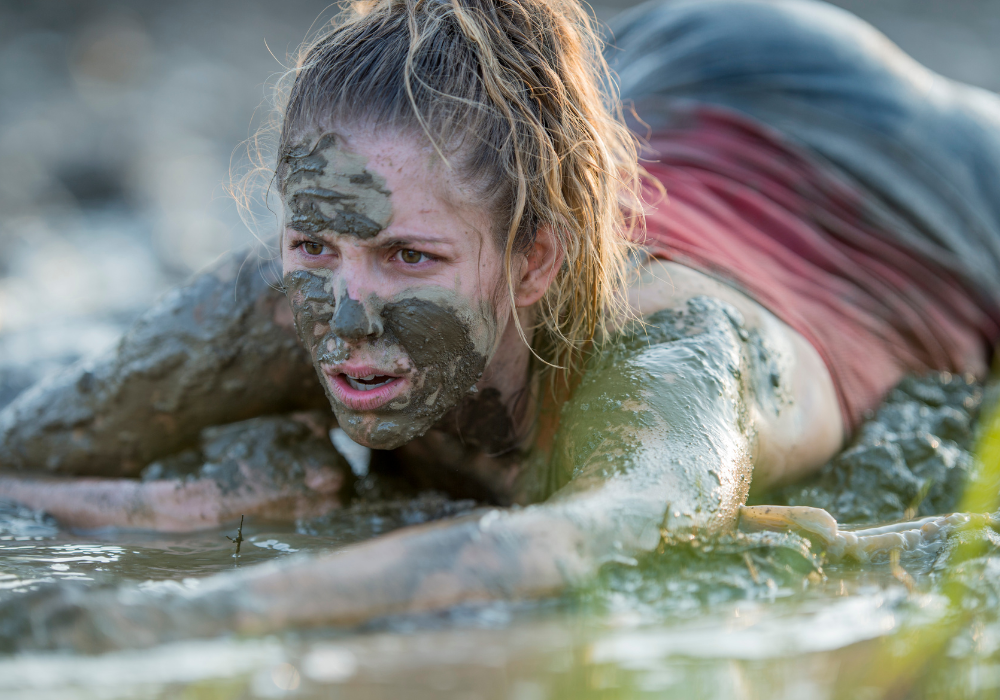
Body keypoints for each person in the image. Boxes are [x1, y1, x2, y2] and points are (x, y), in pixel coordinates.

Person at [1, 0, 998, 649]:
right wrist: (165, 511)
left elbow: (584, 542)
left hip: (945, 182)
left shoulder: (674, 352)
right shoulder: (304, 277)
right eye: (310, 246)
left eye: (410, 261)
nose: (344, 319)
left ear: (536, 262)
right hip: (663, 65)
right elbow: (17, 458)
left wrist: (174, 615)